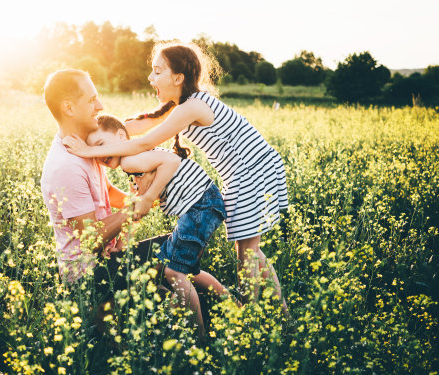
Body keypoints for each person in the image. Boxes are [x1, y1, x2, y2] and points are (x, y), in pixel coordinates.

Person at [63, 43, 289, 314]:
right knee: (251, 251)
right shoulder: (179, 105)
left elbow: (141, 143)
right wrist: (99, 127)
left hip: (252, 170)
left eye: (157, 72)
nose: (151, 78)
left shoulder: (193, 106)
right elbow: (131, 129)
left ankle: (251, 318)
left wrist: (90, 150)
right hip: (248, 171)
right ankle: (278, 315)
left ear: (178, 78)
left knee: (248, 252)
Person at [88, 114, 236, 336]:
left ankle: (201, 338)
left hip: (199, 206)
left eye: (101, 146)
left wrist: (149, 197)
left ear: (121, 135)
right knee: (187, 268)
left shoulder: (130, 160)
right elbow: (137, 210)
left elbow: (172, 162)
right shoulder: (135, 161)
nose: (101, 156)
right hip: (206, 204)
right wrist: (122, 242)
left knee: (173, 272)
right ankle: (235, 307)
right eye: (95, 153)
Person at [40, 69, 167, 304]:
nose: (100, 105)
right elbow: (92, 239)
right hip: (87, 276)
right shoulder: (66, 165)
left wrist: (151, 197)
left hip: (106, 258)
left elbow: (106, 192)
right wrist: (137, 207)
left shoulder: (84, 148)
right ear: (68, 108)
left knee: (173, 256)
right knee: (174, 250)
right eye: (91, 100)